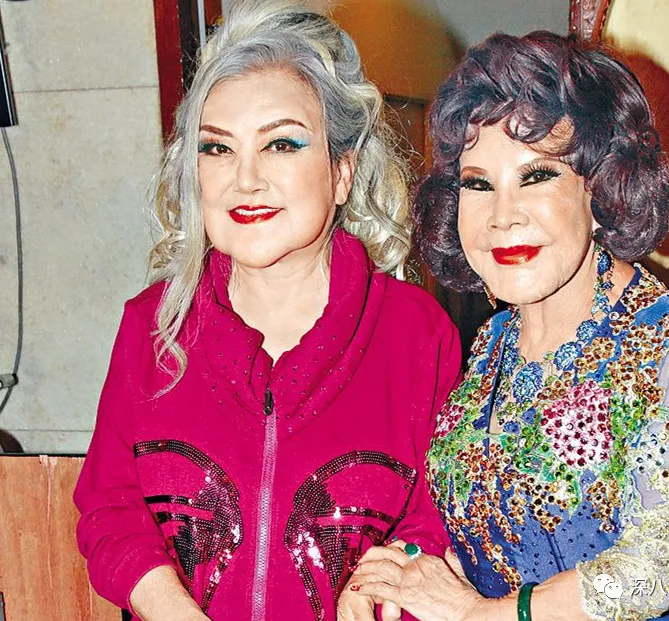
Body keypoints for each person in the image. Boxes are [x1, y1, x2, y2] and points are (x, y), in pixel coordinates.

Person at [73, 1, 461, 620]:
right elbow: (110, 509)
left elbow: (439, 520)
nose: (245, 179)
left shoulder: (418, 334)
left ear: (341, 171)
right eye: (217, 148)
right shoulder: (154, 325)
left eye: (281, 143)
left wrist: (385, 581)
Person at [340, 31, 669, 621]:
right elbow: (490, 530)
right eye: (478, 184)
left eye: (537, 176)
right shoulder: (494, 341)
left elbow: (654, 568)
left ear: (601, 187)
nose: (502, 216)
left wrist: (478, 615)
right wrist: (397, 573)